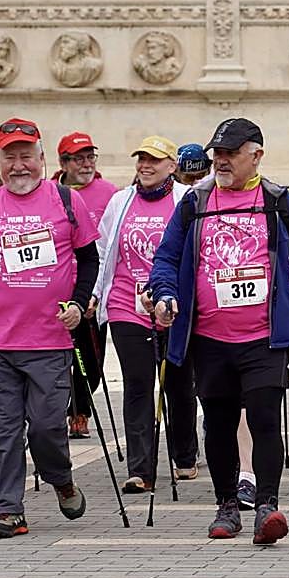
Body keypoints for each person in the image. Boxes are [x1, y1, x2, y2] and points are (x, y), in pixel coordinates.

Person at [149, 117, 289, 544]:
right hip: (209, 337)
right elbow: (166, 258)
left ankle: (266, 506)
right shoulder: (195, 202)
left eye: (231, 153)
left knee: (263, 419)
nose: (221, 161)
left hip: (263, 337)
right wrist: (165, 293)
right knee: (219, 424)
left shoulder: (279, 202)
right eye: (217, 153)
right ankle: (226, 505)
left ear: (256, 155)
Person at [0, 118, 97, 539]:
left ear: (41, 158)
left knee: (48, 428)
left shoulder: (66, 200)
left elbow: (89, 259)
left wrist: (77, 303)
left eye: (26, 156)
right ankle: (9, 510)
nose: (18, 165)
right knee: (7, 431)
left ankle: (60, 478)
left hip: (50, 341)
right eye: (9, 157)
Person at [91, 134, 199, 493]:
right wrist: (95, 294)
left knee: (178, 384)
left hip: (174, 305)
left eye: (154, 160)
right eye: (141, 159)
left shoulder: (187, 199)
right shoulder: (120, 201)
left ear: (172, 166)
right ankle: (141, 469)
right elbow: (103, 251)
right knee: (138, 384)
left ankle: (184, 454)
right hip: (127, 303)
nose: (145, 166)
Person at [56, 132, 119, 439]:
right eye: (78, 159)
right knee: (54, 358)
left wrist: (98, 290)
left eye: (90, 157)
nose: (86, 164)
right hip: (54, 288)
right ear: (63, 163)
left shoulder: (109, 193)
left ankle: (80, 408)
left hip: (91, 289)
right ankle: (58, 411)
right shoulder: (50, 192)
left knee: (90, 361)